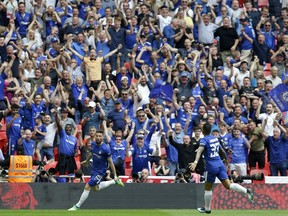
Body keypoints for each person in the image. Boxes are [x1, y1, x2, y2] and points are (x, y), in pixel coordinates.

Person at [190, 123, 254, 214]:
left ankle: (207, 209)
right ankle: (247, 190)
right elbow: (222, 151)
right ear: (211, 131)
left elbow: (200, 150)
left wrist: (195, 162)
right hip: (220, 164)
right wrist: (226, 161)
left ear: (203, 131)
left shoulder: (204, 139)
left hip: (211, 166)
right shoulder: (215, 138)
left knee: (208, 188)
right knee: (228, 185)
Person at [68, 130, 125, 211]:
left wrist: (115, 174)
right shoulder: (93, 144)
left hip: (100, 171)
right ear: (95, 136)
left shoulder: (106, 149)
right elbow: (92, 153)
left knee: (88, 186)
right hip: (94, 169)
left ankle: (77, 206)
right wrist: (87, 161)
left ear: (102, 137)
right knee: (95, 188)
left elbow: (111, 162)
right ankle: (114, 182)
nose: (98, 137)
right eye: (97, 136)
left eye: (100, 136)